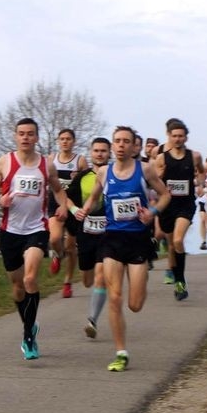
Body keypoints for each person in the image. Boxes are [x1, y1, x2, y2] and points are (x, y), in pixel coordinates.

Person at [76, 126, 171, 372]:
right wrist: (84, 209)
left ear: (133, 146)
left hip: (138, 239)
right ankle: (121, 352)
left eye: (125, 141)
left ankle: (142, 282)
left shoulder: (145, 169)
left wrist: (152, 212)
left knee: (135, 304)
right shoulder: (104, 172)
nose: (120, 145)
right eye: (116, 141)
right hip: (112, 239)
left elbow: (165, 195)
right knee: (115, 297)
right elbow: (95, 195)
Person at [0, 118, 67, 359]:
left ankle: (28, 337)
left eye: (30, 134)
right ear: (15, 136)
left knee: (30, 278)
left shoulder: (46, 165)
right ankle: (29, 323)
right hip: (10, 231)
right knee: (17, 287)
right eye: (21, 133)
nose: (25, 138)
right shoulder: (4, 162)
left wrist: (63, 206)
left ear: (37, 137)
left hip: (36, 229)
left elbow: (58, 189)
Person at [152, 118, 205, 301]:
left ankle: (181, 281)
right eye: (174, 136)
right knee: (172, 246)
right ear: (169, 136)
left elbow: (202, 171)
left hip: (186, 205)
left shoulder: (194, 156)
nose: (177, 139)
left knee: (178, 239)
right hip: (167, 206)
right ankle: (176, 279)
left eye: (181, 136)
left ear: (186, 137)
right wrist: (160, 175)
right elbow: (154, 181)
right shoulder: (161, 158)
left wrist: (201, 184)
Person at [69, 136, 111, 338]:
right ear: (91, 153)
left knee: (101, 277)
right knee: (87, 279)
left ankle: (92, 320)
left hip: (109, 233)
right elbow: (67, 197)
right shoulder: (83, 176)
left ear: (109, 153)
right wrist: (74, 209)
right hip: (86, 233)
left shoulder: (115, 175)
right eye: (96, 151)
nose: (100, 154)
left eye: (104, 150)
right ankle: (93, 284)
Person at [51, 129, 88, 298]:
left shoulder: (80, 161)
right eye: (62, 139)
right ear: (58, 141)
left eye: (68, 139)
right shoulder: (51, 160)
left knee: (71, 247)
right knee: (55, 238)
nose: (65, 142)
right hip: (55, 204)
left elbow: (88, 185)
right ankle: (58, 255)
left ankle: (67, 282)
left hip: (74, 206)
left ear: (73, 141)